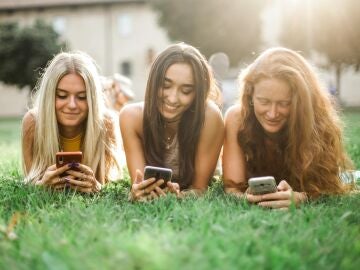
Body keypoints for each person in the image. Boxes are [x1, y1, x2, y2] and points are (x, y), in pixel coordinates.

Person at [222, 47, 353, 209]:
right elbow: (232, 187)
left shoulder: (316, 122)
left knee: (347, 178)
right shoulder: (236, 118)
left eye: (284, 103)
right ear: (250, 95)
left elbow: (327, 187)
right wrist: (248, 197)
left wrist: (302, 197)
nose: (272, 113)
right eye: (263, 101)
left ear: (300, 103)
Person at [120, 43, 224, 201]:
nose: (173, 98)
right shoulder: (131, 117)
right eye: (165, 85)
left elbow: (199, 189)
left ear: (198, 93)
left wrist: (180, 196)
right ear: (154, 82)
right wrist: (139, 191)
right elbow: (139, 183)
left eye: (186, 90)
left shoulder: (209, 117)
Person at [22, 51, 123, 193]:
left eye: (82, 97)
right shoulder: (33, 122)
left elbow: (111, 184)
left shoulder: (107, 123)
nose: (72, 105)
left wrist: (97, 187)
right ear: (49, 96)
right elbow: (29, 180)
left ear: (92, 99)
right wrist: (42, 185)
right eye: (62, 96)